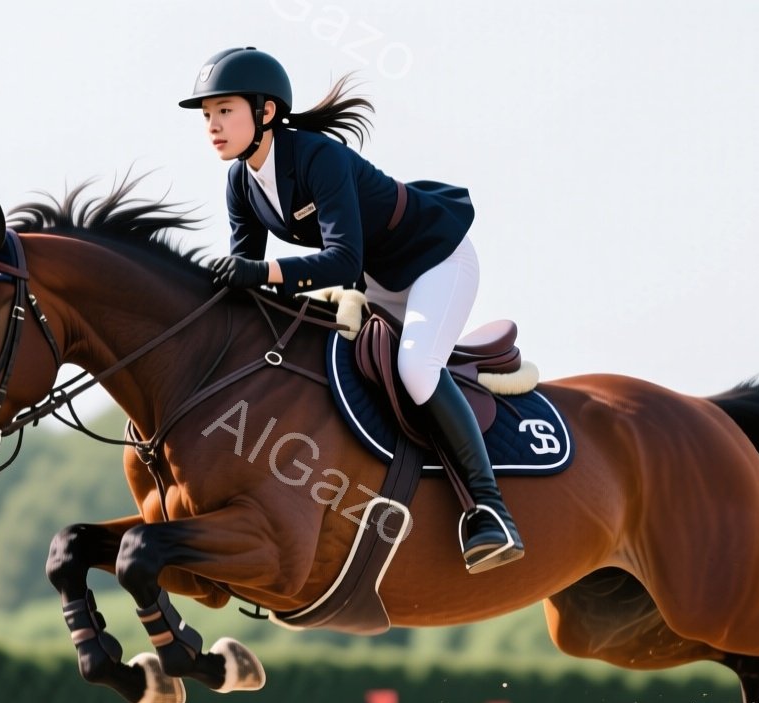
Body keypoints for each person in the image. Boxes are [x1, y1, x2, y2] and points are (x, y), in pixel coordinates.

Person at [181, 47, 523, 574]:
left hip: (436, 260)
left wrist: (262, 272)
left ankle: (490, 510)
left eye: (225, 110)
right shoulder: (241, 183)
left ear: (266, 111)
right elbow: (246, 277)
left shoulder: (318, 157)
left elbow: (341, 261)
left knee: (416, 367)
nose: (213, 125)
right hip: (379, 279)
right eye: (207, 114)